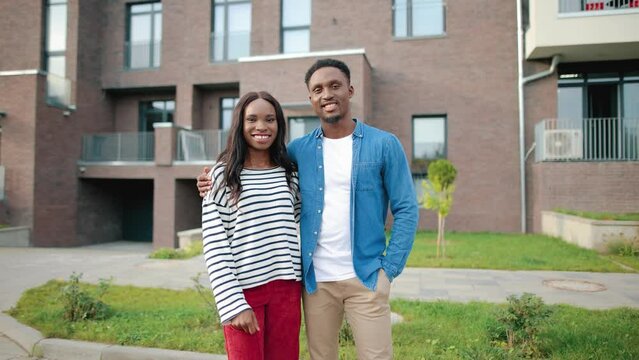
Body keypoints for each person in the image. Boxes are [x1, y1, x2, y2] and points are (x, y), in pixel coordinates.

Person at [198, 59, 418, 360]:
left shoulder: (384, 145)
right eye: (318, 89)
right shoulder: (298, 153)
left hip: (366, 276)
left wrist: (389, 270)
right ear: (311, 99)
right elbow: (252, 164)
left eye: (334, 85)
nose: (326, 94)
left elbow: (406, 209)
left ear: (350, 90)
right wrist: (212, 178)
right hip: (316, 283)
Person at [201, 91, 302, 360]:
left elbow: (304, 219)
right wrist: (234, 305)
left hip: (286, 288)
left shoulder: (289, 174)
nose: (261, 127)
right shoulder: (221, 176)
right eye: (252, 119)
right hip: (244, 291)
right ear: (240, 125)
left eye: (270, 119)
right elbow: (214, 245)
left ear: (279, 125)